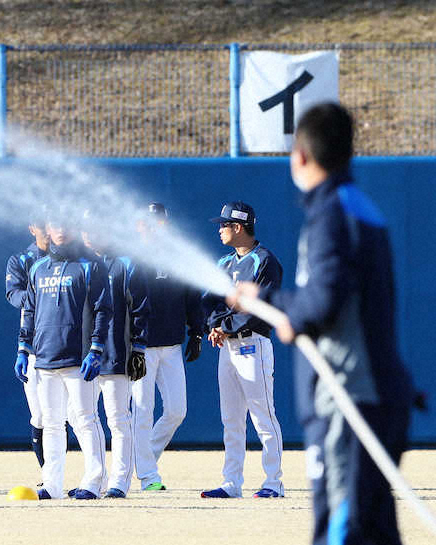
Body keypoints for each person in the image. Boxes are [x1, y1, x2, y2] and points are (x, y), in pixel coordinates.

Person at [230, 102, 414, 543]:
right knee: (372, 530)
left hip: (349, 401)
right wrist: (296, 312)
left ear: (301, 156)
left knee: (341, 529)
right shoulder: (354, 206)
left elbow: (324, 301)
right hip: (367, 397)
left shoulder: (333, 215)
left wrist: (271, 301)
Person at [18, 210, 111, 501]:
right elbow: (29, 311)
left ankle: (94, 481)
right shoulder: (38, 268)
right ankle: (52, 484)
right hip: (45, 358)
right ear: (47, 229)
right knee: (52, 422)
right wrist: (24, 348)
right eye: (55, 224)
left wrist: (96, 349)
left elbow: (103, 310)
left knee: (85, 418)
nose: (61, 229)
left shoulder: (90, 266)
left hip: (78, 357)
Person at [201, 201, 285, 499]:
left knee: (263, 416)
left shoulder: (264, 260)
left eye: (224, 225)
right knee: (231, 418)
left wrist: (225, 325)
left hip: (253, 344)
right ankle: (231, 482)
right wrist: (215, 325)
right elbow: (209, 301)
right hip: (227, 346)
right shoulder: (224, 263)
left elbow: (260, 307)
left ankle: (273, 482)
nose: (220, 229)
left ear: (238, 227)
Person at [130, 203, 204, 491]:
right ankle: (148, 475)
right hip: (142, 346)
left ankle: (144, 457)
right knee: (142, 410)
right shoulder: (132, 257)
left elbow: (192, 297)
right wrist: (130, 343)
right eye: (148, 222)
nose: (153, 226)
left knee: (177, 410)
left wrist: (196, 332)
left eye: (159, 222)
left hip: (172, 344)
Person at [80, 210, 148, 499]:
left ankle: (119, 481)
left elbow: (141, 309)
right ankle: (93, 478)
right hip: (81, 355)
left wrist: (139, 348)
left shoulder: (127, 264)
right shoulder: (78, 265)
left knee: (118, 419)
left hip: (116, 352)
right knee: (83, 418)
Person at [5, 211, 50, 473]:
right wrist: (43, 294)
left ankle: (66, 473)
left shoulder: (68, 258)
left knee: (71, 415)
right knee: (41, 415)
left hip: (66, 345)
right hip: (33, 343)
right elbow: (13, 295)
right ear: (32, 227)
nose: (47, 230)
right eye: (41, 225)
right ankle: (48, 473)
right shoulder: (22, 260)